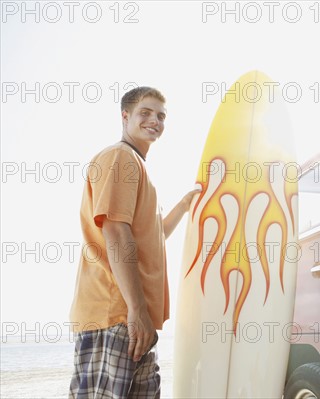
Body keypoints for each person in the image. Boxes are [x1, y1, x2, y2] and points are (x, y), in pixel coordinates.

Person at [69, 86, 200, 398]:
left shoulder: (139, 167)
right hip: (116, 312)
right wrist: (137, 309)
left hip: (133, 317)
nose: (154, 120)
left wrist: (183, 206)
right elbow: (115, 232)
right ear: (125, 116)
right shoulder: (120, 157)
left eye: (161, 116)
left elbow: (154, 238)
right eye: (145, 112)